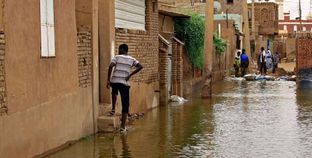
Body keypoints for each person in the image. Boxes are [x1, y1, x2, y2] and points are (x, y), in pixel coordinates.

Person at [107, 44, 143, 132]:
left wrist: (108, 80)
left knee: (114, 93)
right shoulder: (132, 59)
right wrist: (129, 75)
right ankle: (123, 127)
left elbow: (111, 66)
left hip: (115, 80)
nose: (119, 51)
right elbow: (140, 66)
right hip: (124, 82)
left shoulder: (117, 57)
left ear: (122, 49)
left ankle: (113, 109)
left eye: (119, 49)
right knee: (125, 104)